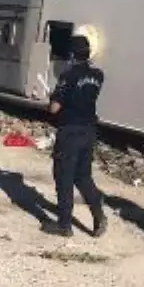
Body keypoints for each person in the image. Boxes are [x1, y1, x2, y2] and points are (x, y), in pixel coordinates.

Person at [41, 35, 108, 238]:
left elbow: (54, 108)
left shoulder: (67, 76)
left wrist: (51, 97)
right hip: (89, 130)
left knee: (64, 176)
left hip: (70, 130)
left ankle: (64, 224)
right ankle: (98, 214)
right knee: (83, 176)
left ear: (71, 54)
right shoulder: (98, 75)